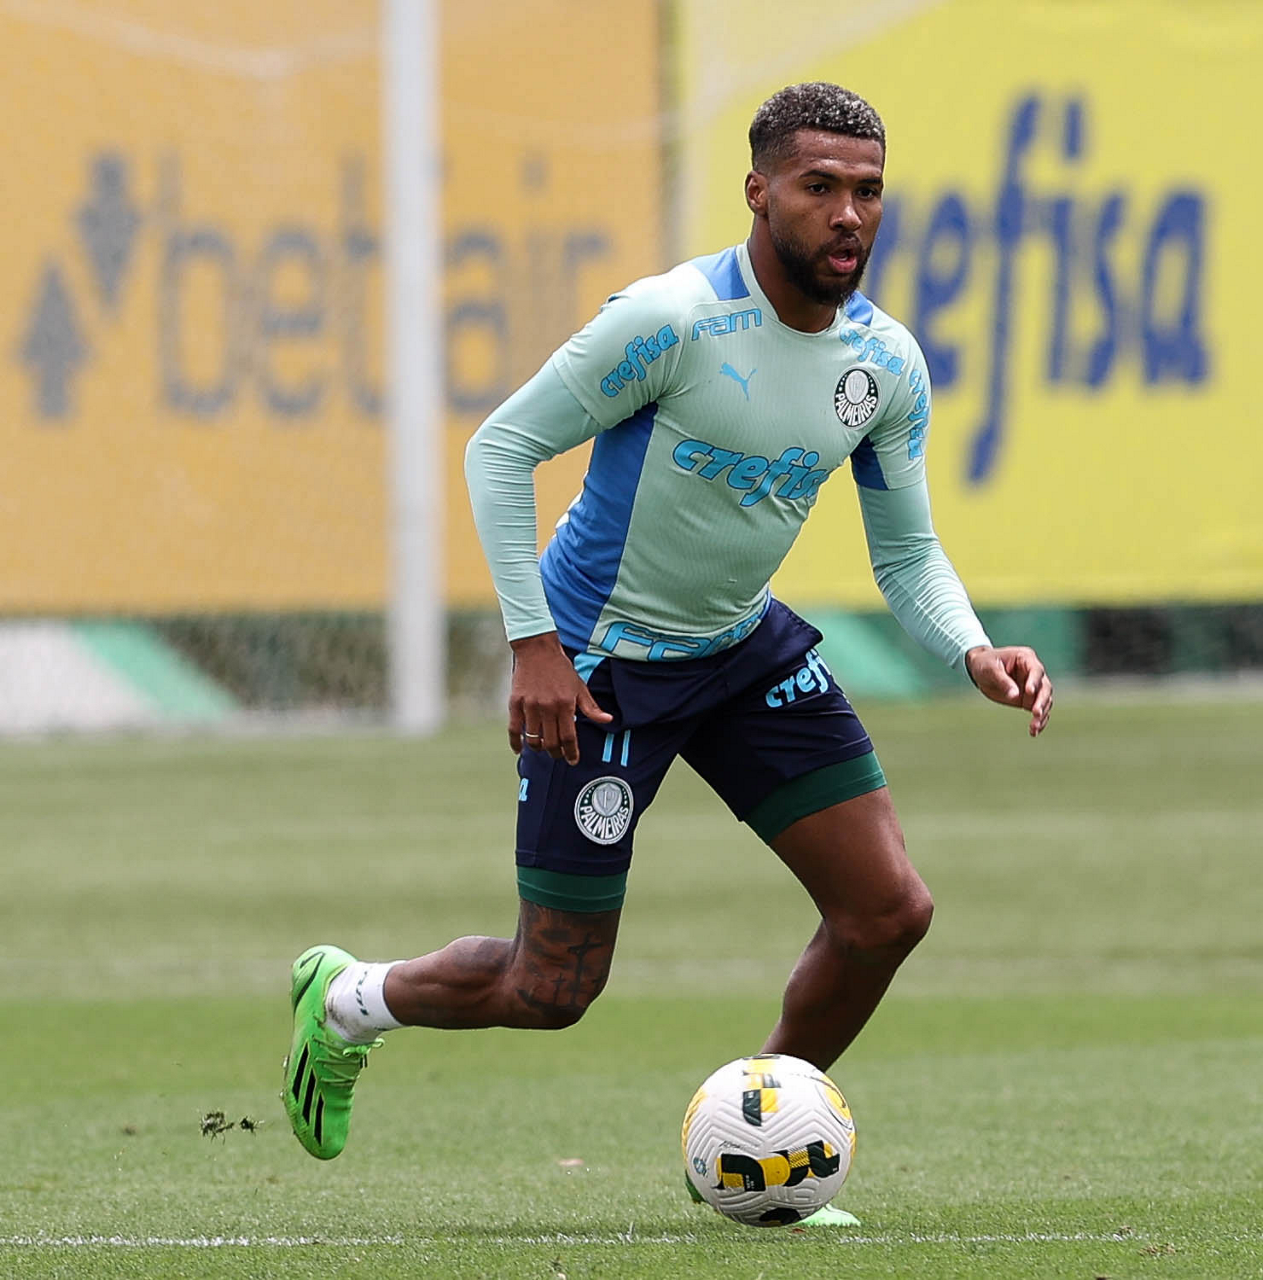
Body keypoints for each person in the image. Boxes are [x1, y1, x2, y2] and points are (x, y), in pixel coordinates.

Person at [282, 82, 1053, 1223]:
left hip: (741, 647)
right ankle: (349, 1000)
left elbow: (905, 551)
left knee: (887, 912)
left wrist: (973, 649)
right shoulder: (671, 321)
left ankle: (759, 1150)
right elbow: (501, 448)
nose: (849, 213)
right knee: (553, 987)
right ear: (759, 192)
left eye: (868, 190)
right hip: (600, 666)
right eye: (820, 186)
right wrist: (534, 646)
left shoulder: (884, 363)